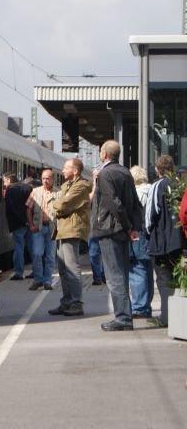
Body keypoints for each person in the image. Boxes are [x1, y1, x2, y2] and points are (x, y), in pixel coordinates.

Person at [91, 140, 142, 332]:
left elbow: (114, 203)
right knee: (122, 273)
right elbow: (135, 202)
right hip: (121, 231)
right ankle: (124, 315)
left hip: (110, 229)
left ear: (104, 154)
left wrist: (128, 225)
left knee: (114, 276)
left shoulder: (105, 174)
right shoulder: (125, 172)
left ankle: (122, 318)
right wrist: (134, 227)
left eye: (100, 151)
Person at [144, 155, 185, 327]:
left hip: (162, 242)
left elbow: (151, 214)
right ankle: (179, 316)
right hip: (179, 241)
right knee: (178, 279)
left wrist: (147, 233)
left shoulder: (158, 185)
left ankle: (166, 317)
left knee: (163, 279)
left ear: (157, 169)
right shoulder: (179, 184)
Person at [49, 158, 92, 316]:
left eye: (66, 168)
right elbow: (61, 204)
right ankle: (66, 301)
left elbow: (62, 204)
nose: (62, 170)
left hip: (72, 230)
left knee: (72, 268)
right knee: (62, 269)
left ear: (75, 171)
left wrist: (57, 208)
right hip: (61, 230)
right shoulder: (66, 186)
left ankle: (76, 302)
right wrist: (59, 207)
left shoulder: (80, 186)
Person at [26, 168, 57, 291]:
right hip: (38, 228)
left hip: (52, 228)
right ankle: (38, 279)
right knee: (37, 253)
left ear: (52, 179)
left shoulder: (58, 193)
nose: (45, 181)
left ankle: (48, 281)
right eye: (43, 178)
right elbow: (28, 208)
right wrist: (31, 224)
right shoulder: (35, 192)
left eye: (48, 178)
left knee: (50, 256)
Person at [129, 165, 153, 319]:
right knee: (146, 269)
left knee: (137, 268)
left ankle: (139, 307)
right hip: (149, 235)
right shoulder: (151, 189)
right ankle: (146, 305)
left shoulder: (136, 193)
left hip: (138, 233)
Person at [3, 174, 32, 280]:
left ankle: (19, 273)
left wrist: (23, 221)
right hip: (30, 222)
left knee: (19, 248)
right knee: (32, 247)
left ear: (9, 180)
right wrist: (29, 221)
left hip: (18, 224)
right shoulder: (27, 187)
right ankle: (36, 270)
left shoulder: (10, 190)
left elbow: (12, 209)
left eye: (4, 181)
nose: (4, 184)